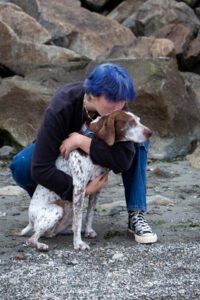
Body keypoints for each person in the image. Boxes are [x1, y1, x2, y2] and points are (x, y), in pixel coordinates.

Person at [9, 63, 157, 244]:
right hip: (61, 155)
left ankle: (136, 215)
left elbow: (123, 161)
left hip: (94, 152)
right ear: (93, 94)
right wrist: (81, 191)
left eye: (123, 99)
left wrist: (82, 141)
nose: (120, 105)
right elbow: (41, 168)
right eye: (113, 99)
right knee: (22, 165)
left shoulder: (118, 109)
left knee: (139, 140)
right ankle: (54, 207)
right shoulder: (63, 103)